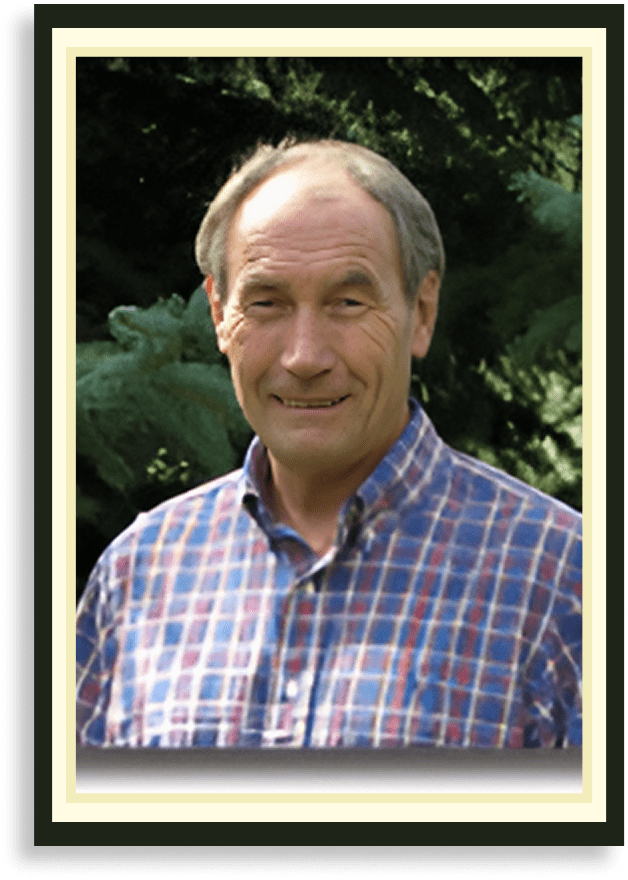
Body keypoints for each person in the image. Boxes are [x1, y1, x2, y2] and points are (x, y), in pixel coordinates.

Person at [76, 138, 582, 749]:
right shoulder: (139, 573)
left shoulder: (567, 582)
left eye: (347, 302)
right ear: (218, 314)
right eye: (266, 304)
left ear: (421, 313)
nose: (304, 356)